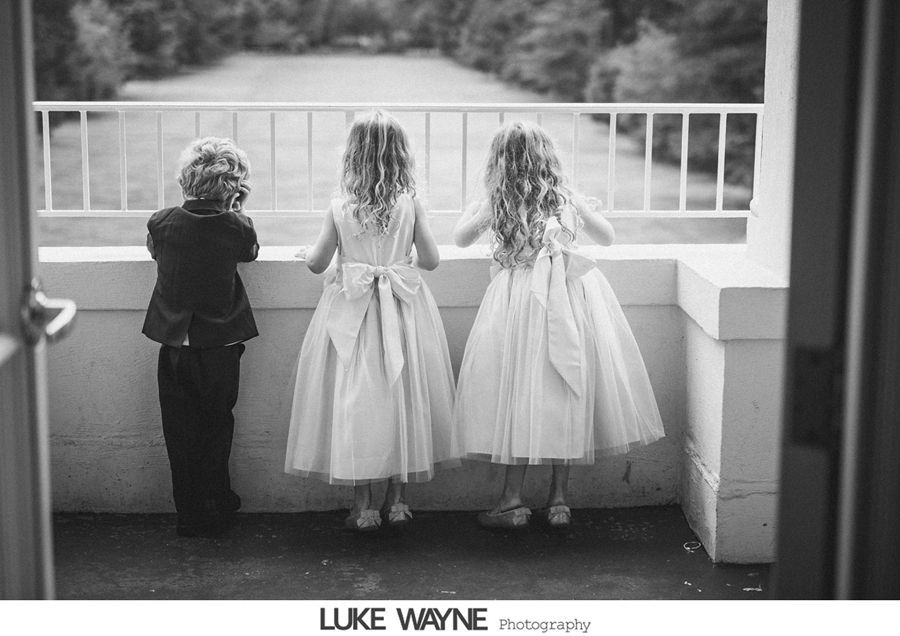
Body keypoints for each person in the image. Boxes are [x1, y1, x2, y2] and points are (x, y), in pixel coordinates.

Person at [452, 121, 665, 530]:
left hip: (519, 300)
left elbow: (460, 239)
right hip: (570, 297)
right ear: (549, 157)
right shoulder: (565, 197)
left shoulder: (497, 199)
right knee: (567, 388)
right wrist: (583, 210)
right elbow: (607, 238)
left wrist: (478, 204)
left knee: (517, 394)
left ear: (498, 162)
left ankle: (512, 500)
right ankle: (559, 501)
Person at [285, 110, 458, 532]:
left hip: (354, 312)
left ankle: (363, 506)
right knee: (402, 397)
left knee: (358, 401)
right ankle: (397, 501)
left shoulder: (339, 207)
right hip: (402, 309)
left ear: (353, 156)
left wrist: (310, 253)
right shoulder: (411, 204)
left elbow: (317, 264)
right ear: (401, 156)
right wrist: (396, 262)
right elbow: (432, 261)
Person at [143, 137, 258, 538]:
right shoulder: (237, 225)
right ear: (234, 187)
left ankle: (188, 514)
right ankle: (218, 505)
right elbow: (249, 253)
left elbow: (156, 253)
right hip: (221, 345)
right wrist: (236, 209)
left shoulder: (160, 222)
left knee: (178, 431)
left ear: (185, 181)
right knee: (216, 429)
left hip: (174, 344)